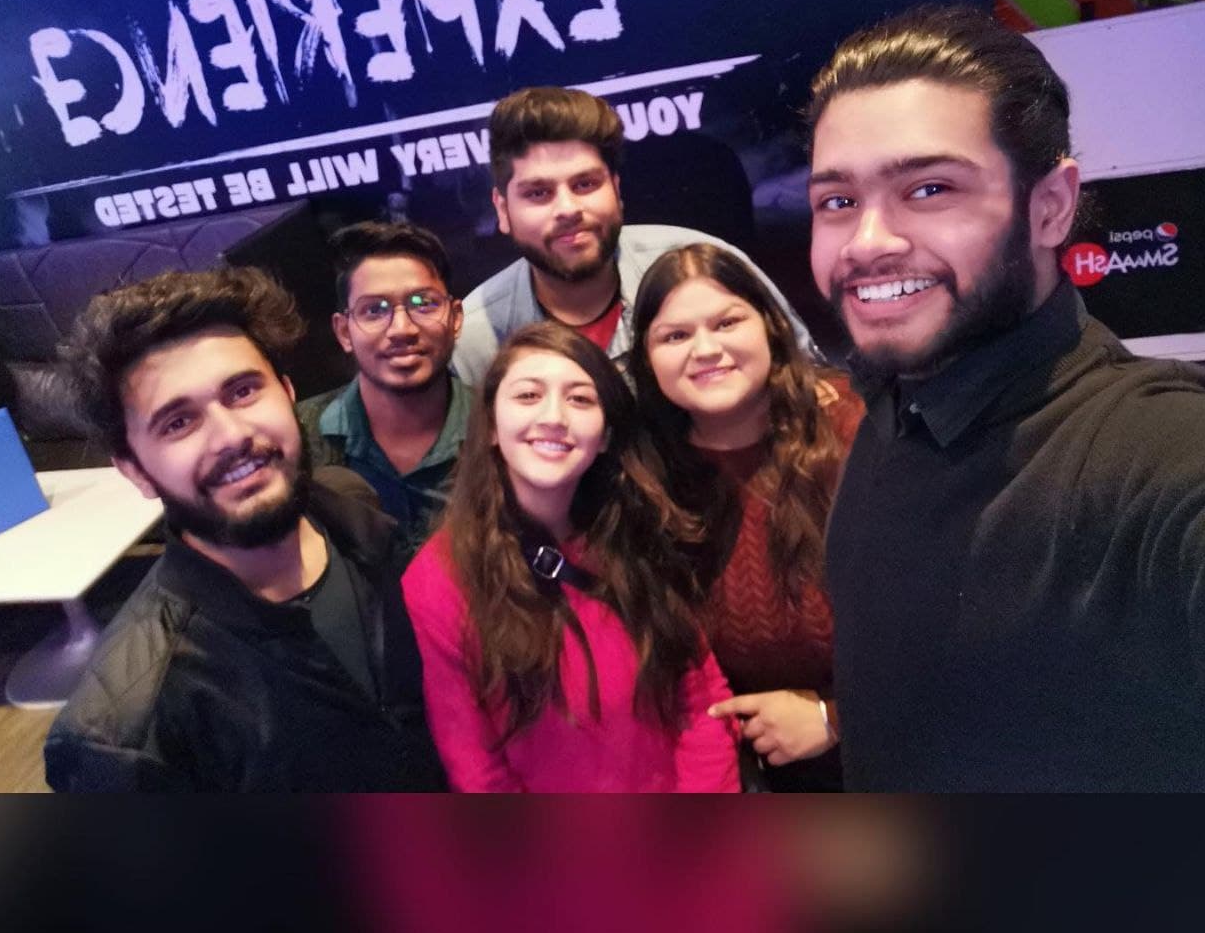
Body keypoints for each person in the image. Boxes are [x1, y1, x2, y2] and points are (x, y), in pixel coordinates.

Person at [806, 3, 1205, 791]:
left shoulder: (1163, 458)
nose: (867, 242)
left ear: (1050, 207)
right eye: (837, 201)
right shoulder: (889, 411)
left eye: (929, 188)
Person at [43, 266, 447, 792]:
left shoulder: (353, 509)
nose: (231, 435)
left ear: (287, 391)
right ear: (135, 470)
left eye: (242, 391)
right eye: (178, 422)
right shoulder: (125, 733)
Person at [402, 321, 741, 792]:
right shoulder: (440, 577)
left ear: (605, 436)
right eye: (528, 396)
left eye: (580, 399)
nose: (554, 417)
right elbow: (476, 768)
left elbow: (702, 700)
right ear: (492, 427)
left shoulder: (636, 531)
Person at [630, 242, 862, 790]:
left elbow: (943, 623)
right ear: (646, 358)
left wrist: (834, 718)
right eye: (675, 336)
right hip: (725, 770)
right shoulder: (639, 473)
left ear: (771, 327)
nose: (706, 350)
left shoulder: (856, 430)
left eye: (727, 322)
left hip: (874, 753)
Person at [451, 85, 816, 383]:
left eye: (585, 184)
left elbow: (815, 389)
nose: (567, 209)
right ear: (503, 210)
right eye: (538, 193)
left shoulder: (708, 267)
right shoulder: (475, 338)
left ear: (616, 190)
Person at [298, 221, 470, 562]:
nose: (402, 329)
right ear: (344, 332)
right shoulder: (294, 441)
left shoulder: (505, 431)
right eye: (374, 310)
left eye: (423, 303)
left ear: (455, 318)